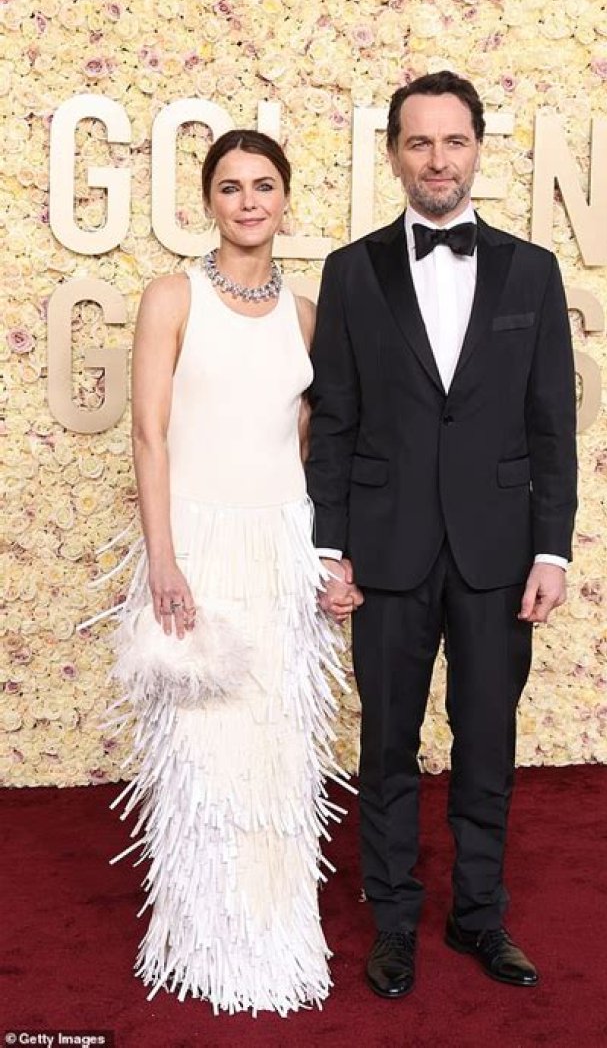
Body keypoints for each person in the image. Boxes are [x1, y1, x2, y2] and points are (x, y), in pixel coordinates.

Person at [307, 71, 578, 997]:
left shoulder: (532, 270)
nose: (437, 159)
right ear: (393, 155)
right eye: (418, 142)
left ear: (478, 150)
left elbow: (552, 424)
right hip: (385, 551)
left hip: (500, 552)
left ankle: (479, 916)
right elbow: (334, 421)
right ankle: (393, 923)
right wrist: (329, 546)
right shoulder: (351, 271)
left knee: (486, 742)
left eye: (453, 141)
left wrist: (551, 549)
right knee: (387, 743)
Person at [107, 130, 350, 1016]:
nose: (249, 201)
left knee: (278, 751)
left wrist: (326, 557)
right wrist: (164, 558)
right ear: (208, 201)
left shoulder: (307, 315)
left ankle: (278, 935)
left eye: (264, 185)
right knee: (205, 755)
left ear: (286, 199)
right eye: (231, 187)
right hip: (198, 547)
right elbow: (148, 434)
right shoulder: (172, 296)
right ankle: (205, 943)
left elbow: (309, 446)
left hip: (281, 545)